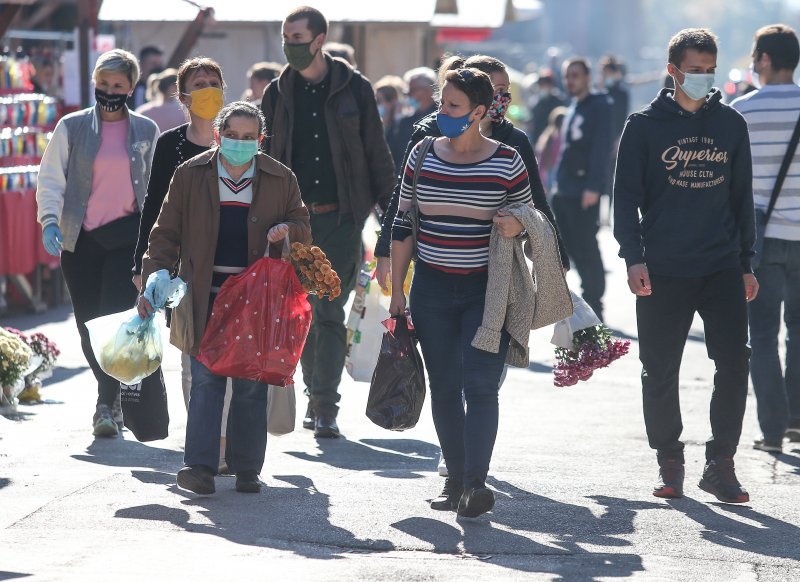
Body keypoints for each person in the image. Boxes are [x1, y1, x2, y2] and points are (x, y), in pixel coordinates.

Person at [614, 28, 758, 504]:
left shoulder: (731, 124)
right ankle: (669, 460)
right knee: (658, 370)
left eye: (708, 70)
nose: (702, 78)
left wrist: (746, 263)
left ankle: (721, 463)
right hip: (663, 268)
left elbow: (742, 200)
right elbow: (625, 200)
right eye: (693, 70)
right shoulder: (643, 125)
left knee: (735, 364)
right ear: (672, 70)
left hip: (720, 266)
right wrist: (633, 258)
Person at [138, 101, 311, 495]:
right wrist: (154, 274)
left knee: (250, 383)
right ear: (217, 136)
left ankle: (247, 467)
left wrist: (288, 230)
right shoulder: (192, 173)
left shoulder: (279, 176)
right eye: (232, 135)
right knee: (206, 381)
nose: (240, 143)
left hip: (256, 298)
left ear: (260, 141)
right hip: (204, 295)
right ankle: (199, 467)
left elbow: (302, 225)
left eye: (249, 138)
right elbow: (165, 232)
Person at [388, 68, 532, 518]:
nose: (442, 114)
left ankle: (476, 484)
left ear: (480, 111)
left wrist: (518, 222)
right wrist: (397, 294)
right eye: (441, 104)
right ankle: (454, 479)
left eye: (452, 107)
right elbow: (401, 223)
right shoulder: (422, 154)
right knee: (446, 388)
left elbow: (532, 221)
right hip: (431, 288)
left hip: (486, 292)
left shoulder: (507, 160)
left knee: (482, 386)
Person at [260, 6, 395, 438]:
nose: (289, 46)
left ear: (319, 40)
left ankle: (324, 405)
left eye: (297, 38)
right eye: (285, 37)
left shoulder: (355, 88)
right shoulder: (277, 92)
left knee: (329, 311)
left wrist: (391, 218)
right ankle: (310, 386)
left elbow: (376, 152)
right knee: (299, 311)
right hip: (292, 220)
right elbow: (264, 157)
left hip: (340, 218)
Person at [36, 49, 160, 437]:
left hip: (128, 237)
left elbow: (158, 190)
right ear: (94, 83)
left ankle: (107, 404)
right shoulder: (71, 127)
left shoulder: (145, 130)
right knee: (88, 325)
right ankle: (109, 395)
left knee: (115, 321)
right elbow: (51, 177)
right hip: (80, 239)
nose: (110, 91)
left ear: (131, 88)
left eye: (118, 85)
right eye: (103, 84)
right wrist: (49, 220)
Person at [375, 54, 568, 294]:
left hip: (494, 269)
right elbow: (403, 197)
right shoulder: (429, 133)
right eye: (497, 90)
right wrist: (384, 251)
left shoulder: (515, 141)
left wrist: (557, 259)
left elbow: (536, 202)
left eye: (505, 90)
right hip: (432, 265)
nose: (503, 98)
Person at [133, 57, 226, 407]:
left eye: (213, 84)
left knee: (231, 351)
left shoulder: (239, 139)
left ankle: (224, 438)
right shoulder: (171, 144)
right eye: (199, 85)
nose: (207, 91)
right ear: (184, 98)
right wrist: (142, 265)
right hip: (183, 268)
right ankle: (200, 437)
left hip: (235, 261)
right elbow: (154, 205)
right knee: (193, 354)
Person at [731, 24, 800, 453]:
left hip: (760, 236)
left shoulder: (742, 111)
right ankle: (797, 418)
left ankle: (772, 430)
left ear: (765, 60)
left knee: (762, 333)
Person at [552, 57, 613, 321]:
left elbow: (601, 149)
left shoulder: (600, 106)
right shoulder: (573, 105)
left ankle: (595, 305)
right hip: (564, 189)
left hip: (583, 190)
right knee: (568, 248)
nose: (570, 81)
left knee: (587, 247)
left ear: (588, 76)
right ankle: (577, 307)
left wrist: (593, 186)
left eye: (575, 75)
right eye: (567, 76)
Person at [394, 67, 438, 157]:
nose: (409, 94)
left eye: (413, 90)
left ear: (429, 90)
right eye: (407, 91)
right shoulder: (405, 121)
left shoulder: (440, 117)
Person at [374, 75, 408, 173]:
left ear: (393, 101)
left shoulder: (403, 123)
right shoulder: (377, 124)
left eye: (379, 101)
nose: (377, 105)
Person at [535, 105, 567, 193]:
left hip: (549, 175)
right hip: (553, 175)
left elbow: (540, 160)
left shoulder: (546, 137)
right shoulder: (559, 139)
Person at [530, 69, 566, 146]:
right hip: (536, 142)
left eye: (545, 84)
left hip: (552, 144)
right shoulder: (536, 101)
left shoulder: (559, 101)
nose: (543, 87)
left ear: (551, 85)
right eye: (541, 84)